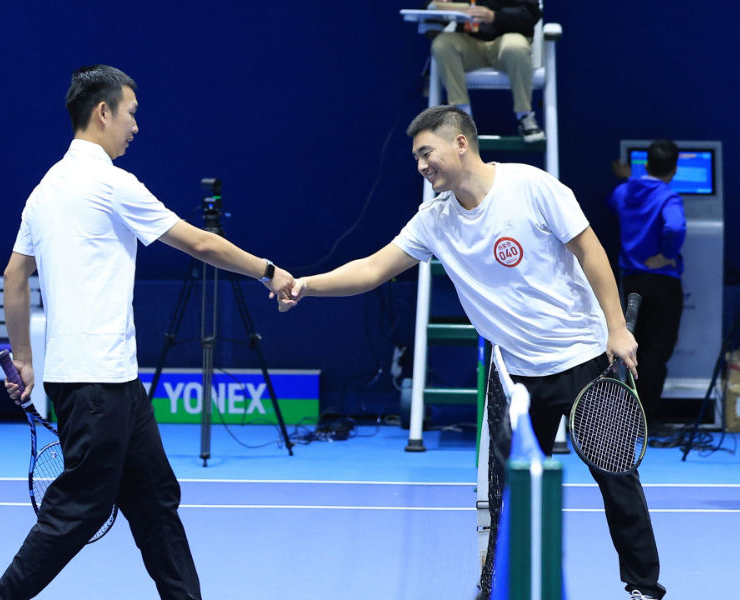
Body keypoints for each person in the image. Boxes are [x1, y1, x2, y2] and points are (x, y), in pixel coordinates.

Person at [276, 105, 665, 600]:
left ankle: (643, 588)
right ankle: (497, 587)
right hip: (516, 374)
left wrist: (617, 328)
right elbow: (373, 269)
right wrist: (306, 285)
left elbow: (590, 250)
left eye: (426, 153)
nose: (421, 165)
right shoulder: (434, 221)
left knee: (617, 479)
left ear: (460, 143)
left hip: (585, 358)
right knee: (505, 494)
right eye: (416, 158)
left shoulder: (532, 186)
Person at [0, 65, 294, 600]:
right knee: (76, 512)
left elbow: (14, 276)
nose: (135, 126)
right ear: (103, 112)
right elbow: (200, 243)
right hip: (96, 385)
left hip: (114, 383)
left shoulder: (44, 189)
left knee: (155, 501)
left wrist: (25, 358)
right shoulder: (113, 184)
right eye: (130, 113)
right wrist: (268, 271)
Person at [609, 140, 686, 424]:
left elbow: (615, 204)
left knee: (632, 349)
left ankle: (626, 416)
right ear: (674, 170)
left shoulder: (623, 191)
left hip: (632, 281)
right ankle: (646, 418)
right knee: (656, 351)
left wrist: (630, 179)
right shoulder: (669, 198)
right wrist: (667, 256)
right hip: (663, 283)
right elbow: (675, 226)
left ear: (646, 164)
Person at [430, 0, 544, 143]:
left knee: (516, 47)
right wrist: (438, 5)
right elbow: (431, 11)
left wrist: (495, 16)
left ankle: (524, 116)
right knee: (442, 45)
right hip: (469, 44)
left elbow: (531, 13)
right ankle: (462, 119)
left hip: (506, 43)